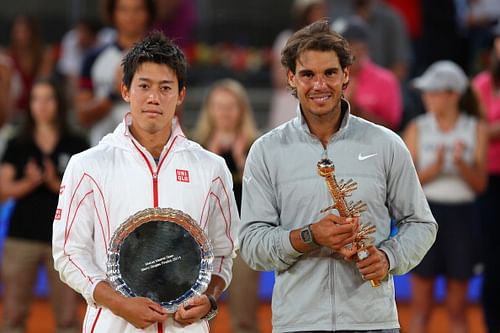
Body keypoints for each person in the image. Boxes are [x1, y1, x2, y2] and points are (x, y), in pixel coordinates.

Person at [239, 20, 437, 332]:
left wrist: (388, 257)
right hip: (299, 323)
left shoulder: (386, 144)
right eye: (307, 74)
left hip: (373, 321)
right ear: (291, 78)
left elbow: (422, 224)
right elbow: (251, 244)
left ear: (346, 75)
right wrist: (309, 236)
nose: (320, 85)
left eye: (330, 73)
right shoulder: (266, 151)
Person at [52, 31, 238, 333]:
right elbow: (68, 253)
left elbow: (223, 252)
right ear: (125, 90)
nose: (154, 97)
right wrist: (118, 303)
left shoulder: (212, 168)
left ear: (181, 95)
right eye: (144, 86)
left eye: (166, 87)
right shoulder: (87, 165)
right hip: (113, 325)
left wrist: (210, 299)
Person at [403, 60, 488, 333]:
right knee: (421, 307)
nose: (427, 97)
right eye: (426, 92)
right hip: (425, 217)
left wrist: (461, 165)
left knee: (457, 309)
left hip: (461, 220)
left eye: (434, 91)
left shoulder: (476, 129)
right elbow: (405, 184)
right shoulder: (417, 127)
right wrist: (436, 168)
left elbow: (480, 185)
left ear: (453, 94)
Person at [0, 77, 88, 333]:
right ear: (29, 104)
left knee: (68, 316)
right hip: (21, 237)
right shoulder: (18, 143)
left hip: (63, 240)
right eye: (36, 98)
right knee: (13, 314)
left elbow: (85, 193)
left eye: (48, 98)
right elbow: (3, 189)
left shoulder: (76, 143)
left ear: (58, 103)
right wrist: (28, 183)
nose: (42, 105)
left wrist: (53, 183)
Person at [192, 78, 260, 333]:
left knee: (244, 317)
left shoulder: (256, 147)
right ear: (209, 109)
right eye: (219, 106)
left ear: (241, 109)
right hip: (202, 243)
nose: (225, 112)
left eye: (231, 106)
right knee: (198, 314)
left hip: (242, 242)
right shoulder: (194, 147)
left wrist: (243, 163)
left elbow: (263, 198)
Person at [76, 0, 155, 146]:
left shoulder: (162, 59)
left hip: (150, 152)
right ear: (113, 13)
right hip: (104, 151)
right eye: (124, 10)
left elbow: (174, 114)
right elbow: (83, 115)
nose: (131, 16)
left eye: (138, 9)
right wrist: (114, 92)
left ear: (149, 13)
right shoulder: (94, 58)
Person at [472, 23, 500, 333]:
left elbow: (483, 129)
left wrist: (488, 131)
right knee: (493, 257)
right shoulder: (480, 84)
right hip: (489, 180)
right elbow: (475, 130)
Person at [268, 0, 328, 129]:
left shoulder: (329, 42)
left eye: (321, 11)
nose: (319, 16)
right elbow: (278, 80)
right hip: (289, 105)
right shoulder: (285, 39)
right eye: (314, 12)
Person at [339, 18, 402, 131]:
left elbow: (391, 126)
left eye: (355, 47)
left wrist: (356, 110)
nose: (351, 52)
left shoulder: (385, 80)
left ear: (365, 49)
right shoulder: (329, 77)